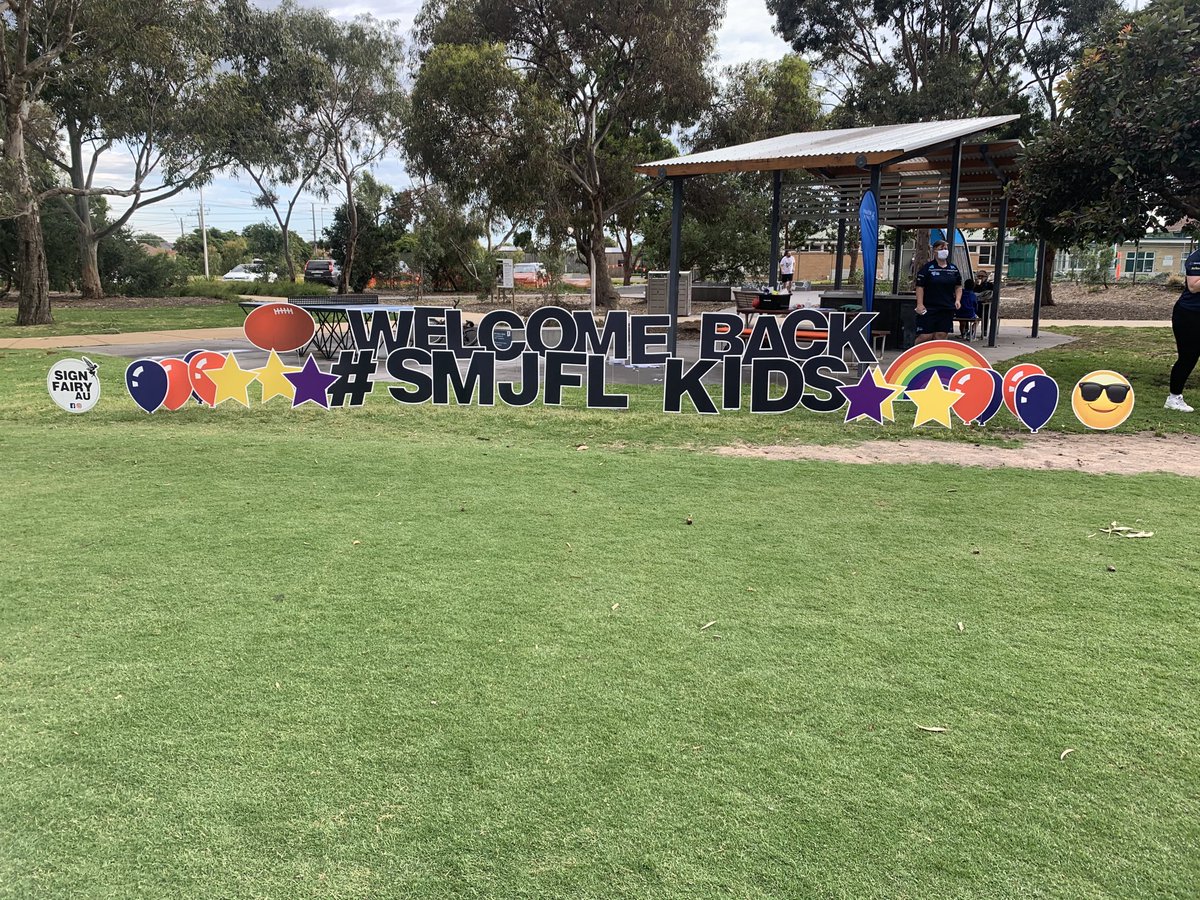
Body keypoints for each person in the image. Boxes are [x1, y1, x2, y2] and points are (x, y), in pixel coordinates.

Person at [1166, 247, 1200, 411]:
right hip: (1189, 315)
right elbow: (1194, 286)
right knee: (1188, 357)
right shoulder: (1196, 257)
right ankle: (1173, 398)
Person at [914, 239, 962, 343]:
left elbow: (958, 286)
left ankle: (937, 357)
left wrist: (958, 300)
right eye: (941, 249)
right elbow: (919, 287)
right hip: (929, 307)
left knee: (941, 335)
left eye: (946, 248)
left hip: (946, 307)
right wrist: (920, 304)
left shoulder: (953, 269)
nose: (944, 251)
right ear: (935, 251)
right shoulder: (927, 268)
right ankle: (915, 355)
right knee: (925, 336)